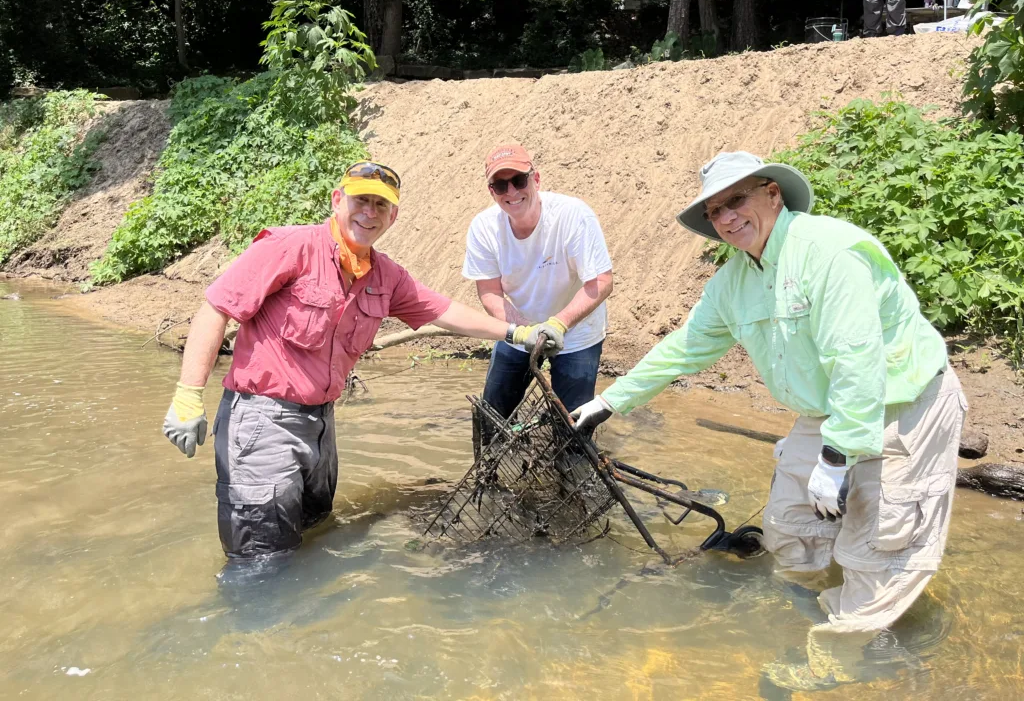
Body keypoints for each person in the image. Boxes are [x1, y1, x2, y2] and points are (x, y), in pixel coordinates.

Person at [571, 151, 966, 691]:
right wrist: (609, 402)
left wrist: (837, 455)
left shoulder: (829, 251)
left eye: (738, 200)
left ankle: (840, 660)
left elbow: (857, 358)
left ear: (773, 194)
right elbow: (684, 349)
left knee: (881, 542)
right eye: (715, 211)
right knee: (788, 525)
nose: (729, 217)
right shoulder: (733, 281)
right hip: (825, 409)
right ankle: (823, 601)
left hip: (904, 402)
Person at [162, 161, 560, 561]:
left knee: (314, 530)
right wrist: (188, 395)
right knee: (259, 561)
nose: (369, 213)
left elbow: (443, 311)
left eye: (380, 205)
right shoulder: (289, 247)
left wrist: (515, 333)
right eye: (360, 201)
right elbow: (216, 309)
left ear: (393, 216)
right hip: (261, 423)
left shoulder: (385, 276)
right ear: (338, 200)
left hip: (320, 423)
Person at [463, 144, 613, 421]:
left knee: (573, 428)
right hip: (520, 329)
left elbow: (601, 282)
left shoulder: (573, 215)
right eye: (500, 185)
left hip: (577, 332)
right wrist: (522, 331)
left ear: (536, 179)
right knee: (492, 418)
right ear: (491, 191)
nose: (511, 192)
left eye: (519, 180)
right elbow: (489, 292)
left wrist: (558, 324)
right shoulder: (483, 228)